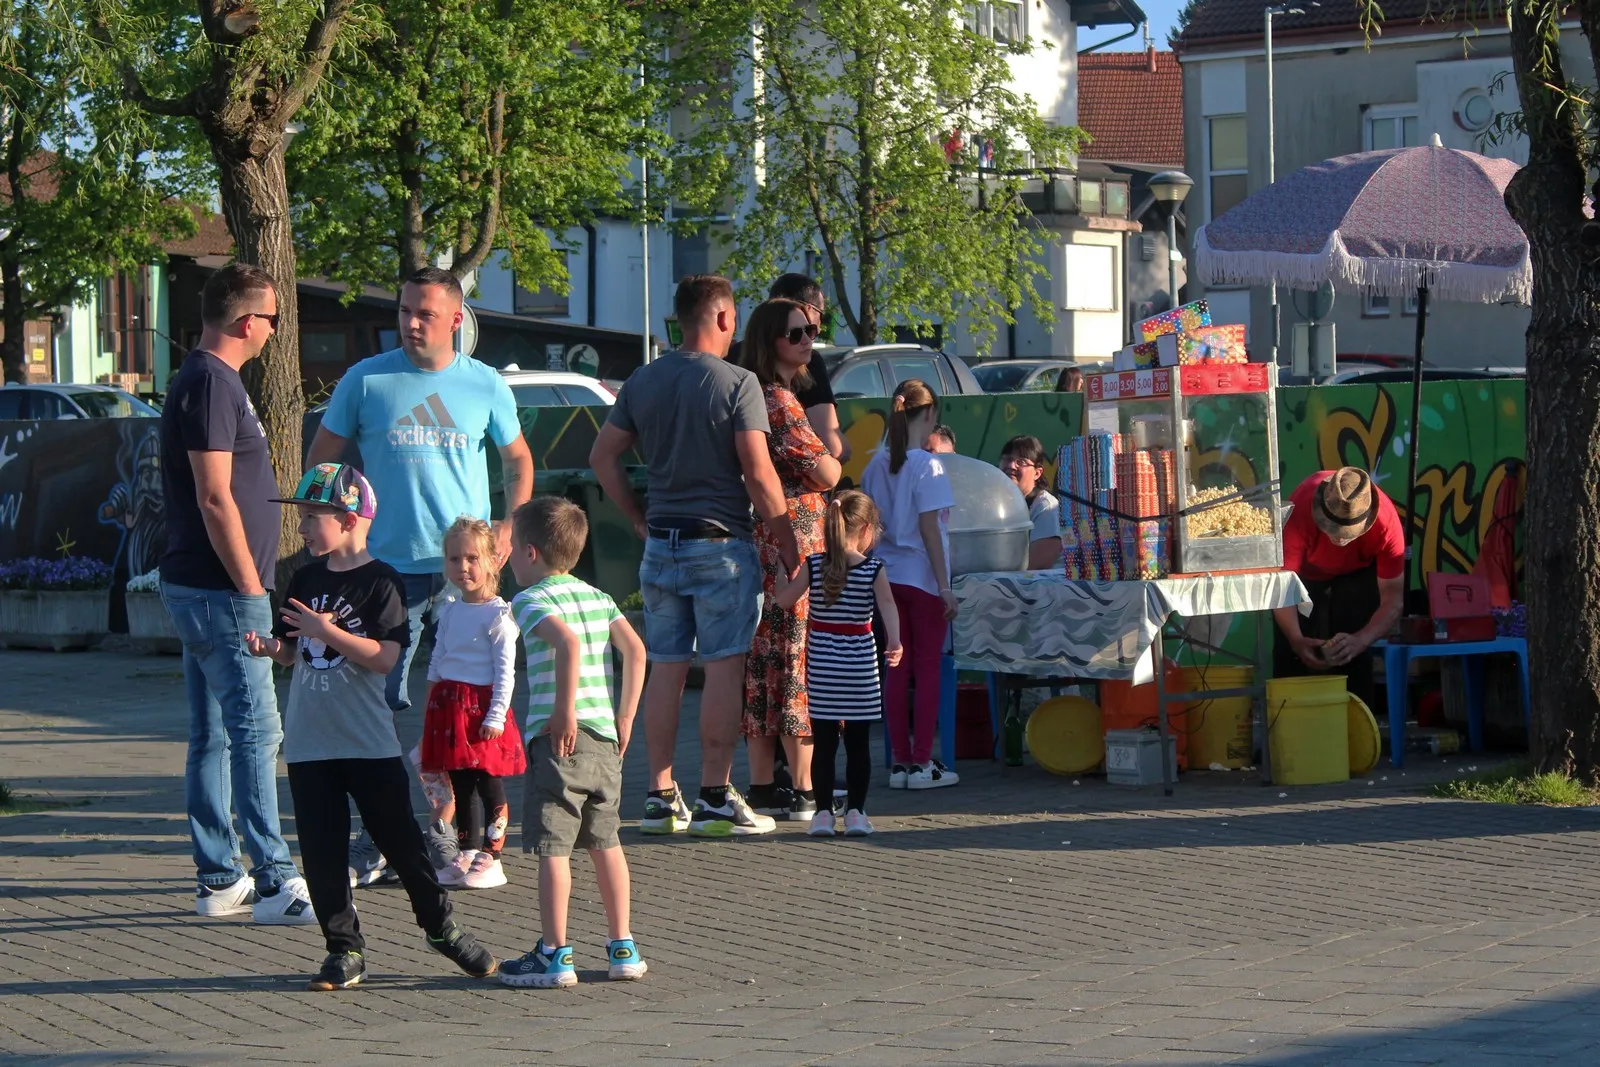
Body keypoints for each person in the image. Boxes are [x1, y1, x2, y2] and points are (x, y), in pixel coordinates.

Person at [306, 266, 535, 886]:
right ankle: (372, 838)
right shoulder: (366, 379)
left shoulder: (485, 385)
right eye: (404, 311)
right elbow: (321, 461)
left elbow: (518, 459)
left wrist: (508, 531)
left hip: (463, 577)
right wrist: (337, 527)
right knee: (374, 708)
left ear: (455, 320)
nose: (410, 323)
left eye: (425, 314)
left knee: (465, 709)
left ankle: (458, 839)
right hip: (383, 572)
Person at [245, 462, 498, 991]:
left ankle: (441, 927)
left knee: (403, 845)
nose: (304, 528)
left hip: (367, 742)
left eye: (313, 516)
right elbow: (294, 651)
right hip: (311, 742)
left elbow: (384, 658)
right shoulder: (306, 577)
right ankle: (344, 949)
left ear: (351, 517)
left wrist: (326, 632)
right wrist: (273, 647)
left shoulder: (382, 581)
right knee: (321, 852)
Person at [589, 274, 798, 837]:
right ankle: (713, 794)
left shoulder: (642, 380)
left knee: (667, 669)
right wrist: (788, 543)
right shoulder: (738, 383)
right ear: (725, 318)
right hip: (720, 544)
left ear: (679, 321)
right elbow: (758, 474)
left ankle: (659, 797)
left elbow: (603, 456)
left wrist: (637, 515)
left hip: (661, 545)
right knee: (725, 666)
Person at [158, 263, 315, 925]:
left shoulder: (205, 380)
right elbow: (215, 494)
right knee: (255, 731)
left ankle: (220, 876)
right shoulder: (212, 384)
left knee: (215, 734)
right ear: (249, 322)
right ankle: (276, 880)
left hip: (203, 587)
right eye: (273, 318)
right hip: (222, 591)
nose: (275, 330)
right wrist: (252, 584)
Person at [500, 497, 648, 988]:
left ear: (531, 553)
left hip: (557, 738)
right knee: (607, 842)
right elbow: (636, 650)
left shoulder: (529, 599)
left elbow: (565, 643)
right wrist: (625, 715)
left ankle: (554, 953)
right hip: (605, 739)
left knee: (554, 849)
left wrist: (563, 711)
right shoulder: (598, 596)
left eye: (513, 548)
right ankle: (622, 945)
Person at [738, 298, 843, 821]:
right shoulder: (779, 400)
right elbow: (826, 473)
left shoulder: (750, 396)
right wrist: (830, 459)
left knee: (766, 657)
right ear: (771, 341)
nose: (808, 342)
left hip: (762, 533)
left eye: (811, 332)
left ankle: (763, 784)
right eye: (797, 334)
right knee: (797, 654)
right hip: (796, 534)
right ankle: (803, 786)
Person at [775, 491, 902, 837]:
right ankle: (858, 813)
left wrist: (780, 576)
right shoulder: (874, 568)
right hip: (861, 662)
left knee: (826, 743)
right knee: (859, 743)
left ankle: (822, 814)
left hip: (823, 666)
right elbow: (887, 605)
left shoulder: (815, 565)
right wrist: (894, 641)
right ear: (864, 529)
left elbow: (785, 601)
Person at [861, 379, 960, 791]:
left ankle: (901, 761)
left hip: (885, 575)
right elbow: (930, 530)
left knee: (895, 669)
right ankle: (923, 763)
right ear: (931, 414)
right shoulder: (930, 466)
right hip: (921, 577)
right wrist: (945, 586)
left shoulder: (873, 465)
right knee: (929, 668)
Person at [415, 517, 523, 892]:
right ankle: (466, 850)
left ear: (493, 560)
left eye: (472, 558)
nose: (463, 567)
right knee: (459, 786)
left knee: (488, 783)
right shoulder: (449, 610)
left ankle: (492, 856)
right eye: (454, 559)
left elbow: (505, 672)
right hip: (449, 708)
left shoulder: (498, 615)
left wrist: (495, 714)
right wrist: (432, 700)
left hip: (482, 711)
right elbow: (438, 657)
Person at [1273, 467, 1406, 706]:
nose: (1340, 538)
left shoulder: (1387, 525)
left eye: (1347, 532)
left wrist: (1362, 639)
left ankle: (1357, 727)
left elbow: (1393, 599)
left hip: (1358, 571)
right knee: (1290, 652)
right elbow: (1281, 589)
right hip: (1305, 572)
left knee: (1352, 648)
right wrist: (1296, 639)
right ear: (1319, 511)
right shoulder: (1298, 511)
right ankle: (1289, 722)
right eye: (1332, 528)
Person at [766, 273, 851, 463]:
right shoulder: (805, 359)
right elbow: (834, 447)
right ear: (806, 309)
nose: (818, 330)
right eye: (820, 315)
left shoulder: (733, 356)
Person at [999, 435, 1063, 570]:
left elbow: (1038, 563)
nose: (1011, 466)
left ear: (1037, 473)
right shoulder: (997, 503)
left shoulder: (1046, 507)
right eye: (1007, 459)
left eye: (1021, 462)